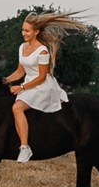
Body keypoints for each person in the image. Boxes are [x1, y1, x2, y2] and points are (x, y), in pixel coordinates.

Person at [7, 12, 86, 161]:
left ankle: (25, 147)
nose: (24, 33)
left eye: (27, 31)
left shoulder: (42, 51)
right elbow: (20, 71)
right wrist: (5, 80)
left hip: (42, 86)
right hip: (28, 83)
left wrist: (21, 88)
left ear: (36, 32)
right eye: (23, 30)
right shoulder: (22, 47)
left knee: (17, 108)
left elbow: (42, 77)